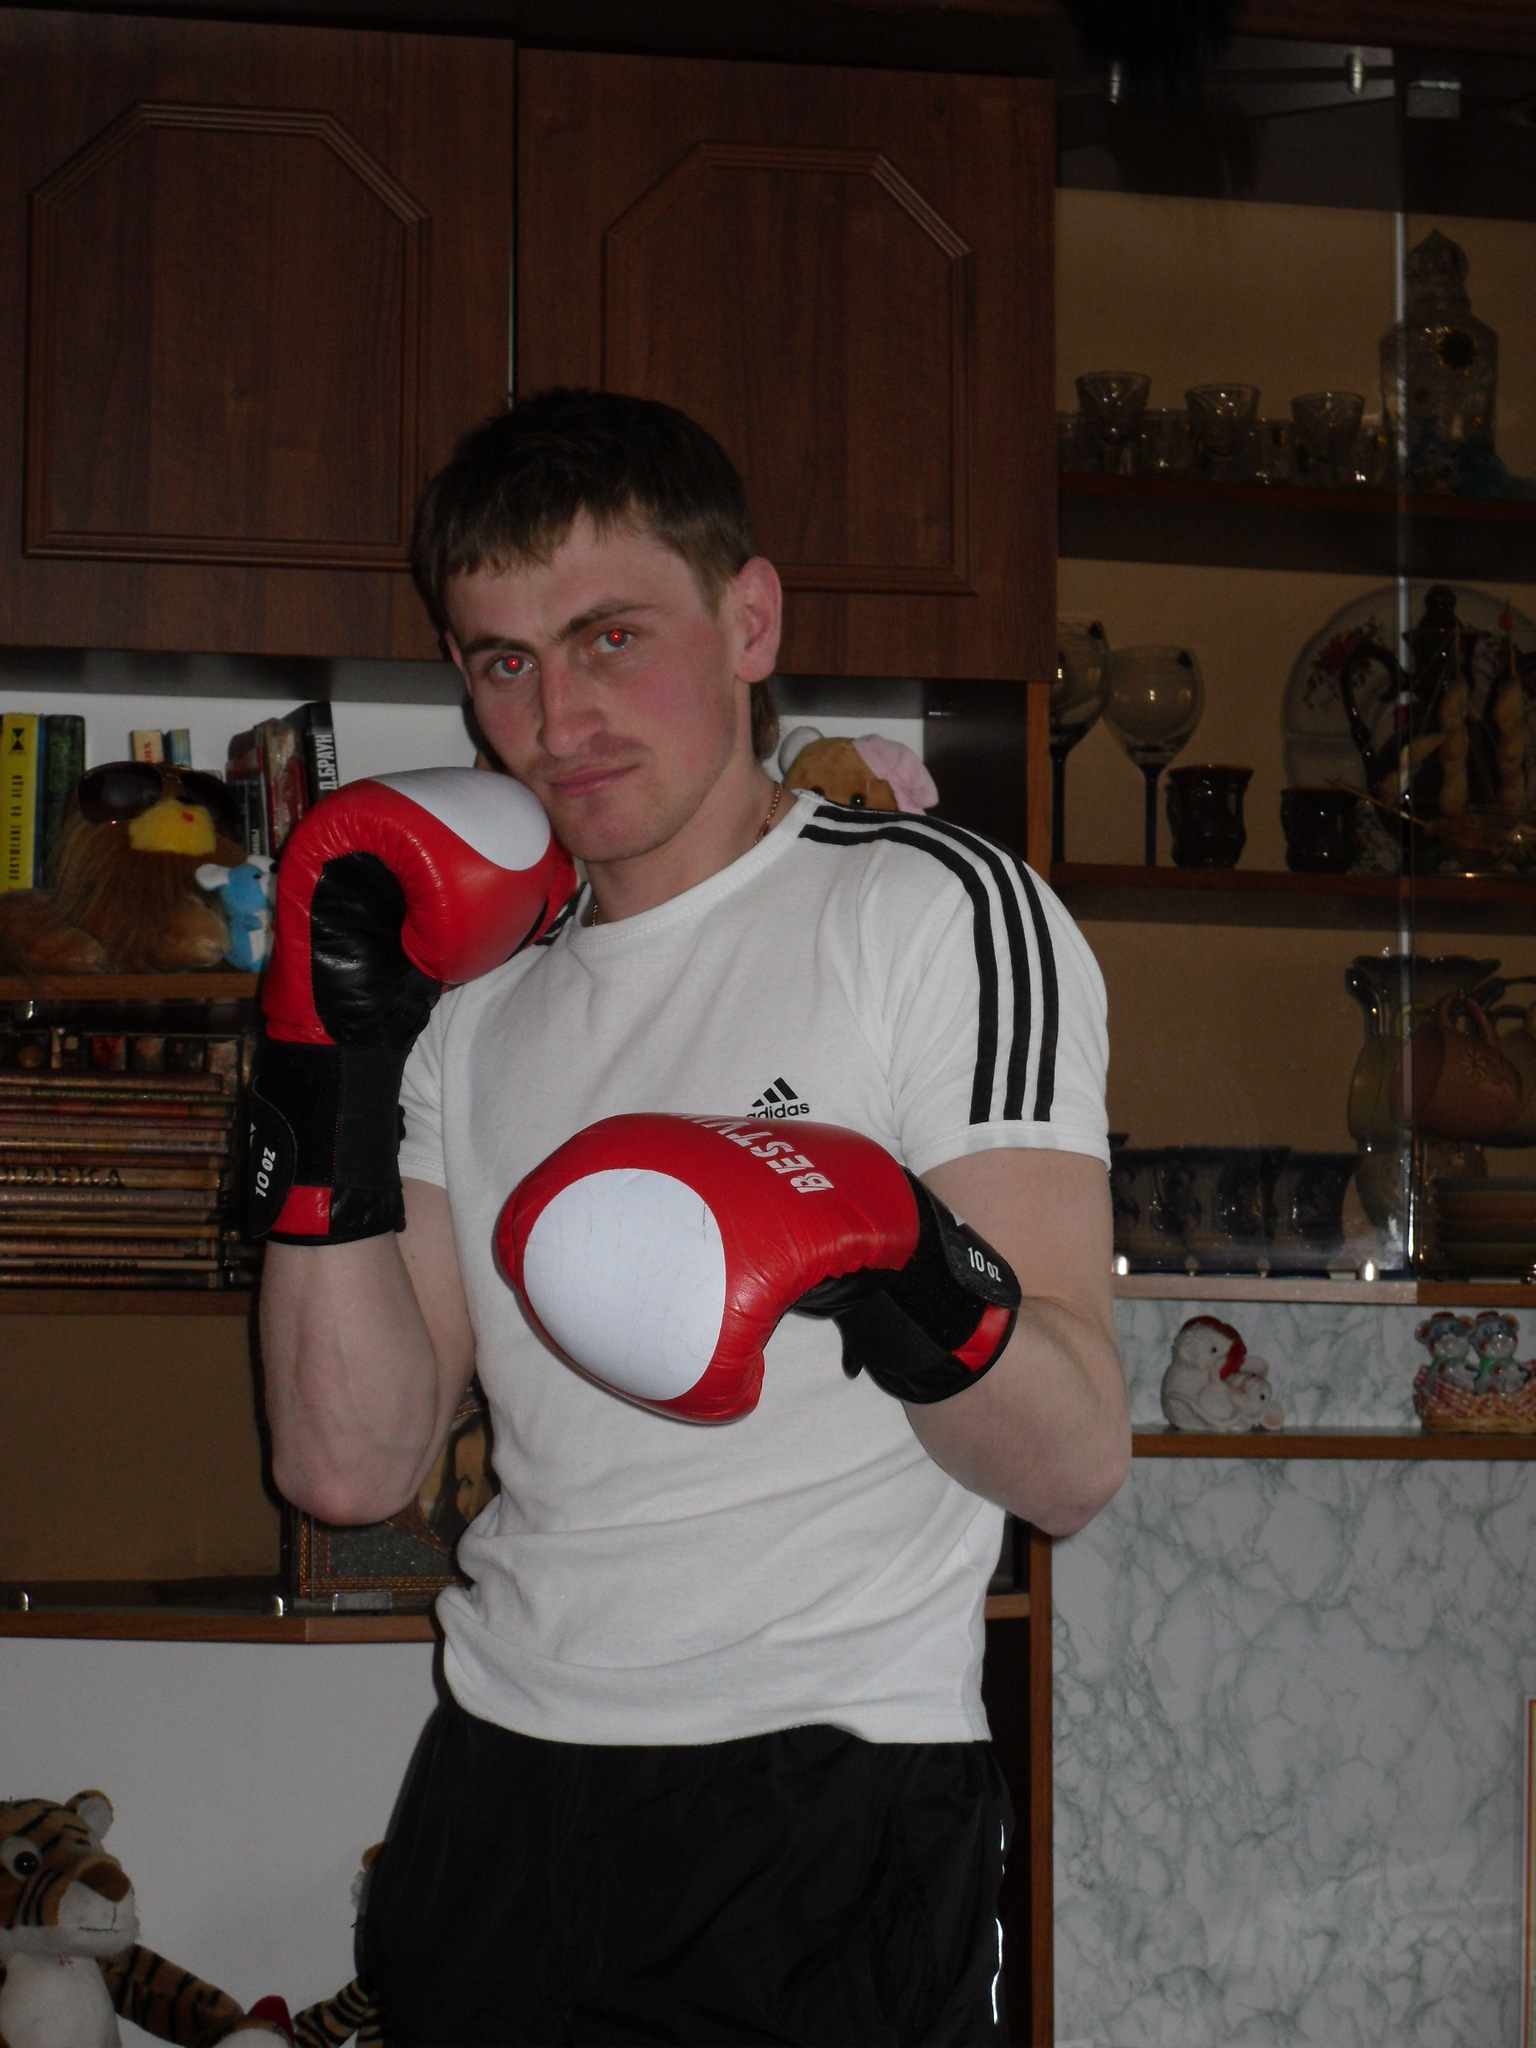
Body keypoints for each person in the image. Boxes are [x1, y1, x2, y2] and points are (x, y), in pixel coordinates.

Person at [257, 388, 1130, 2046]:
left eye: (609, 637)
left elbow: (1073, 1463)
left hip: (825, 1801)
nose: (555, 719)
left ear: (750, 620)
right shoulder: (475, 1003)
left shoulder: (930, 914)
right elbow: (348, 1469)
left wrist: (894, 1253)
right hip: (500, 1799)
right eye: (502, 660)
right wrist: (327, 1075)